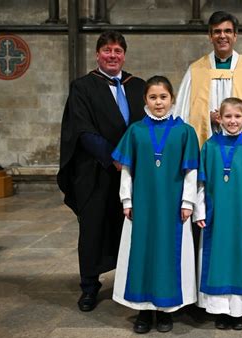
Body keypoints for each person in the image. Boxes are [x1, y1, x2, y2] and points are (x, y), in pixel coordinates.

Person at [57, 30, 146, 312]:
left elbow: (150, 124)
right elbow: (82, 130)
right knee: (93, 229)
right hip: (96, 171)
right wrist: (115, 158)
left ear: (124, 55)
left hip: (133, 173)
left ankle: (131, 282)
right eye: (107, 50)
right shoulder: (82, 87)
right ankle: (89, 286)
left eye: (118, 51)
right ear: (97, 55)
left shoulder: (138, 86)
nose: (112, 56)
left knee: (128, 227)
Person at [111, 76, 199, 333]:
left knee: (168, 253)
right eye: (153, 97)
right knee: (142, 252)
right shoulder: (136, 131)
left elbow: (190, 171)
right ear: (145, 101)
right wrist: (126, 199)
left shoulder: (185, 131)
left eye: (163, 97)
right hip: (143, 203)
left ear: (172, 98)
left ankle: (165, 311)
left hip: (174, 205)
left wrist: (188, 202)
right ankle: (143, 309)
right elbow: (126, 168)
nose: (158, 102)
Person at [193, 97, 242, 330]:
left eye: (238, 116)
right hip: (216, 217)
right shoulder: (210, 146)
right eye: (228, 116)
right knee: (218, 257)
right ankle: (220, 310)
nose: (233, 121)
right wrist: (200, 211)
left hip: (241, 218)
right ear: (219, 118)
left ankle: (240, 311)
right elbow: (201, 183)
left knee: (241, 259)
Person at [175, 10, 242, 146]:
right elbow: (182, 114)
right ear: (210, 36)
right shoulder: (196, 70)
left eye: (227, 31)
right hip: (207, 149)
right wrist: (207, 117)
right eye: (217, 32)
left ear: (235, 35)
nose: (222, 36)